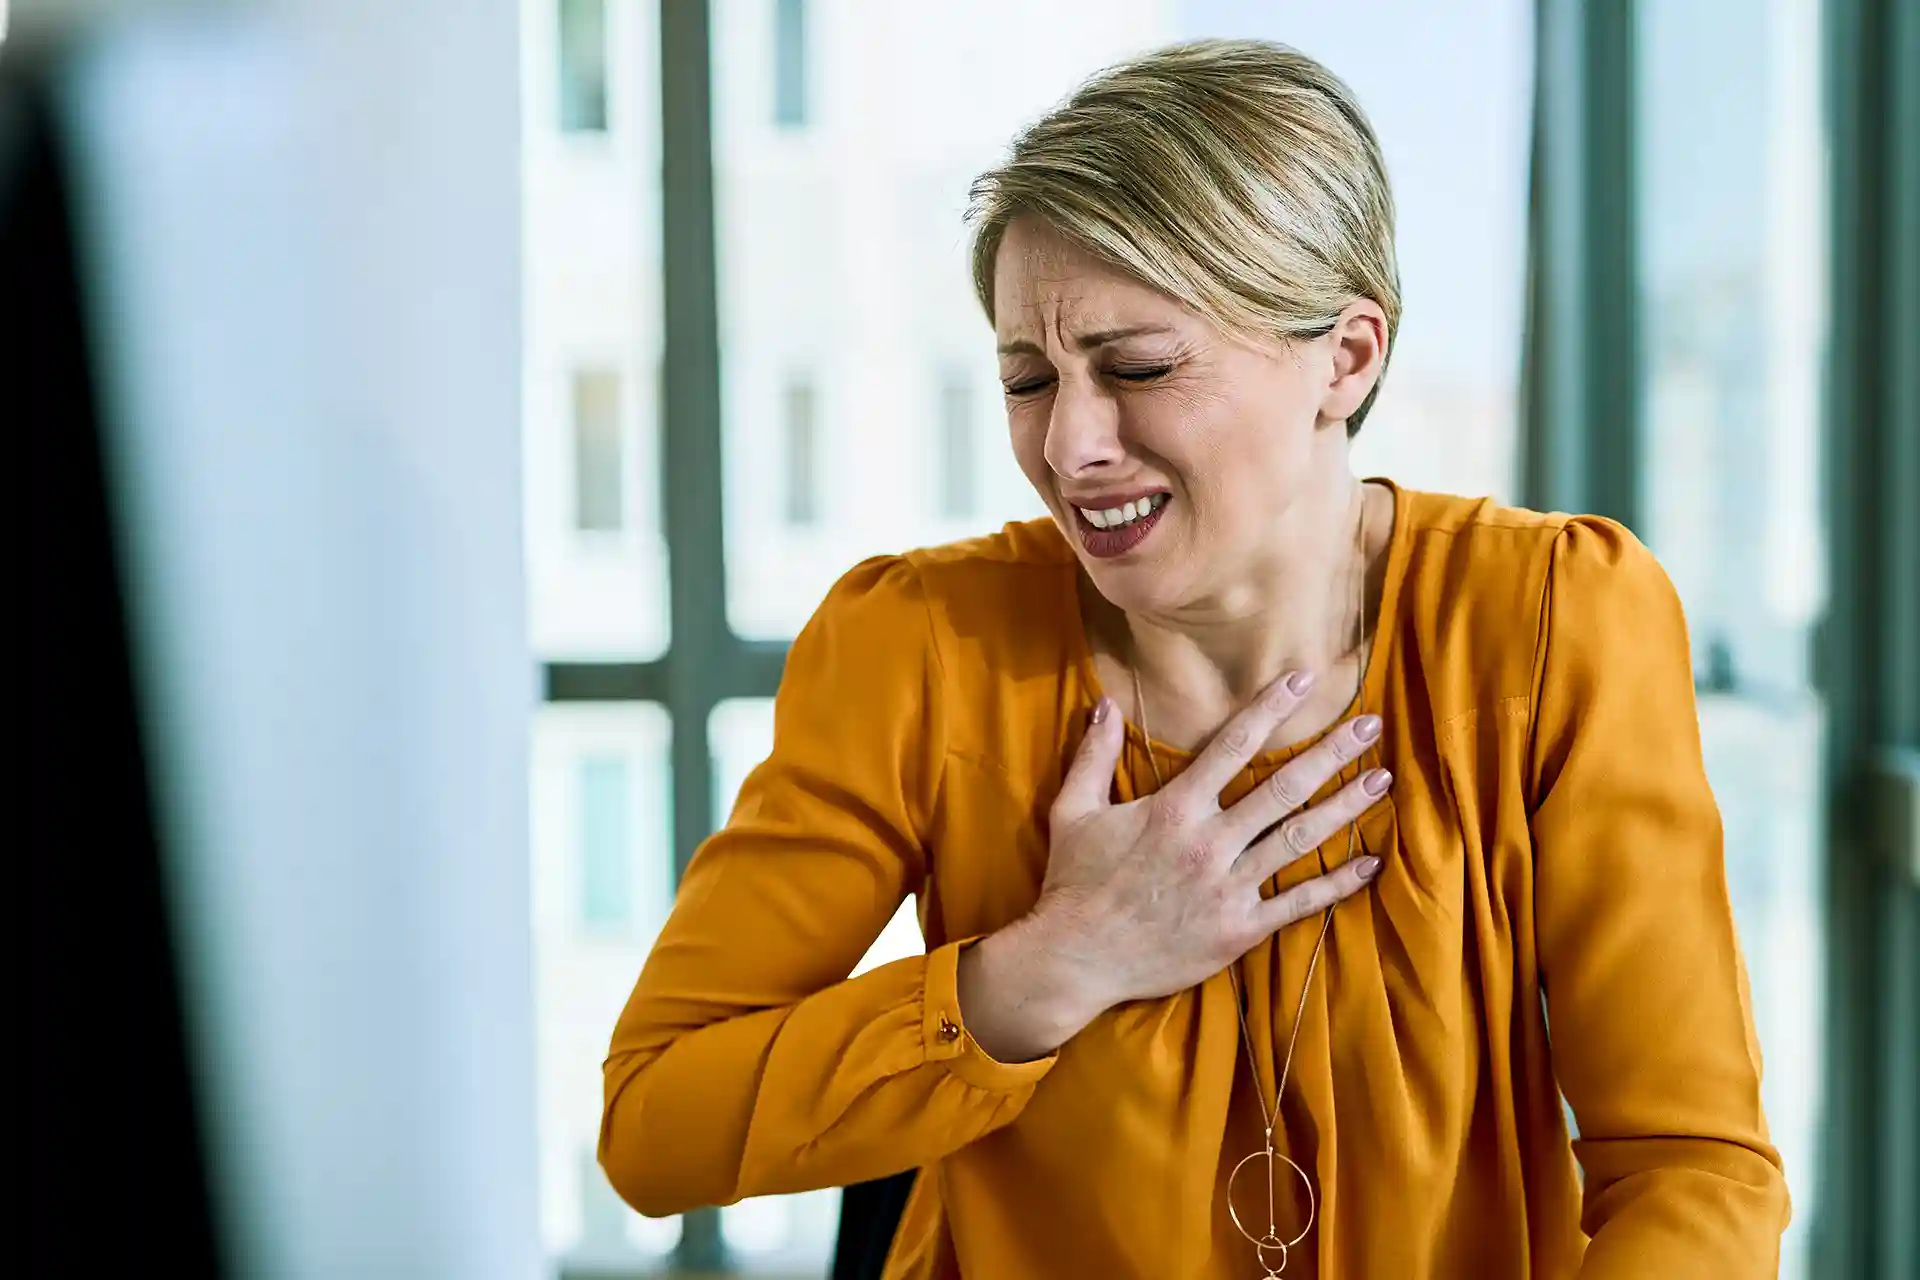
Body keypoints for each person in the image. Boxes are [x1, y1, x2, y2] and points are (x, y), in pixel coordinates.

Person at [597, 38, 1789, 1278]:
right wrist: (1058, 960)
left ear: (1348, 356)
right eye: (1026, 377)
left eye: (1139, 367)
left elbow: (1690, 1168)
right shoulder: (919, 648)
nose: (1069, 443)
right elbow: (654, 1123)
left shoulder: (1550, 624)